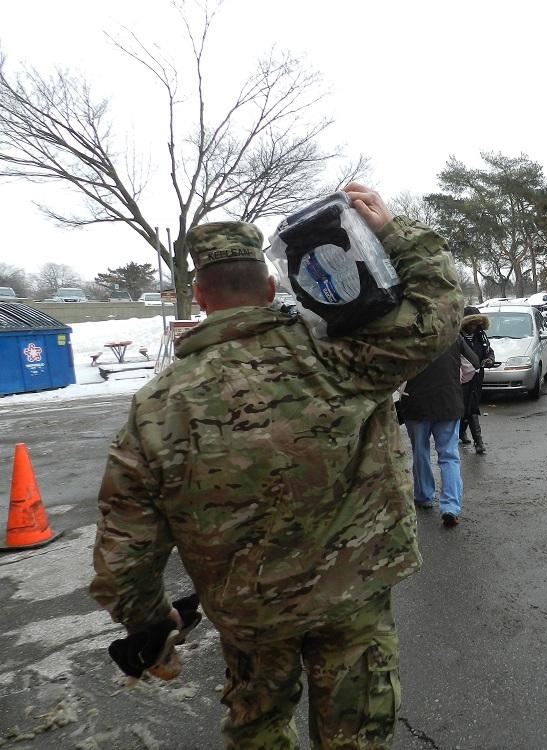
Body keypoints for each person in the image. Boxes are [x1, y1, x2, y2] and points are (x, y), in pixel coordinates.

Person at [89, 184, 463, 750]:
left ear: (200, 294)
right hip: (351, 597)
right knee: (357, 735)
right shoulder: (341, 359)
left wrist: (150, 620)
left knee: (258, 729)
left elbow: (124, 549)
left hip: (249, 614)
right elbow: (437, 312)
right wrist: (393, 233)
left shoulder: (158, 406)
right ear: (268, 287)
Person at [397, 330, 477, 526]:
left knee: (420, 452)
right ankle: (450, 506)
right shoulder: (453, 335)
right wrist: (453, 380)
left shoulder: (407, 335)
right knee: (449, 455)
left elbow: (396, 372)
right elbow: (472, 366)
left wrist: (403, 390)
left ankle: (424, 496)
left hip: (416, 404)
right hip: (448, 402)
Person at [458, 305, 494, 454]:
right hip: (461, 378)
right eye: (471, 323)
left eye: (476, 323)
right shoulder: (457, 337)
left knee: (471, 405)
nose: (474, 326)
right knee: (467, 407)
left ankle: (463, 433)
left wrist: (489, 359)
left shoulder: (481, 336)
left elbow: (489, 352)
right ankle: (478, 441)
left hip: (477, 377)